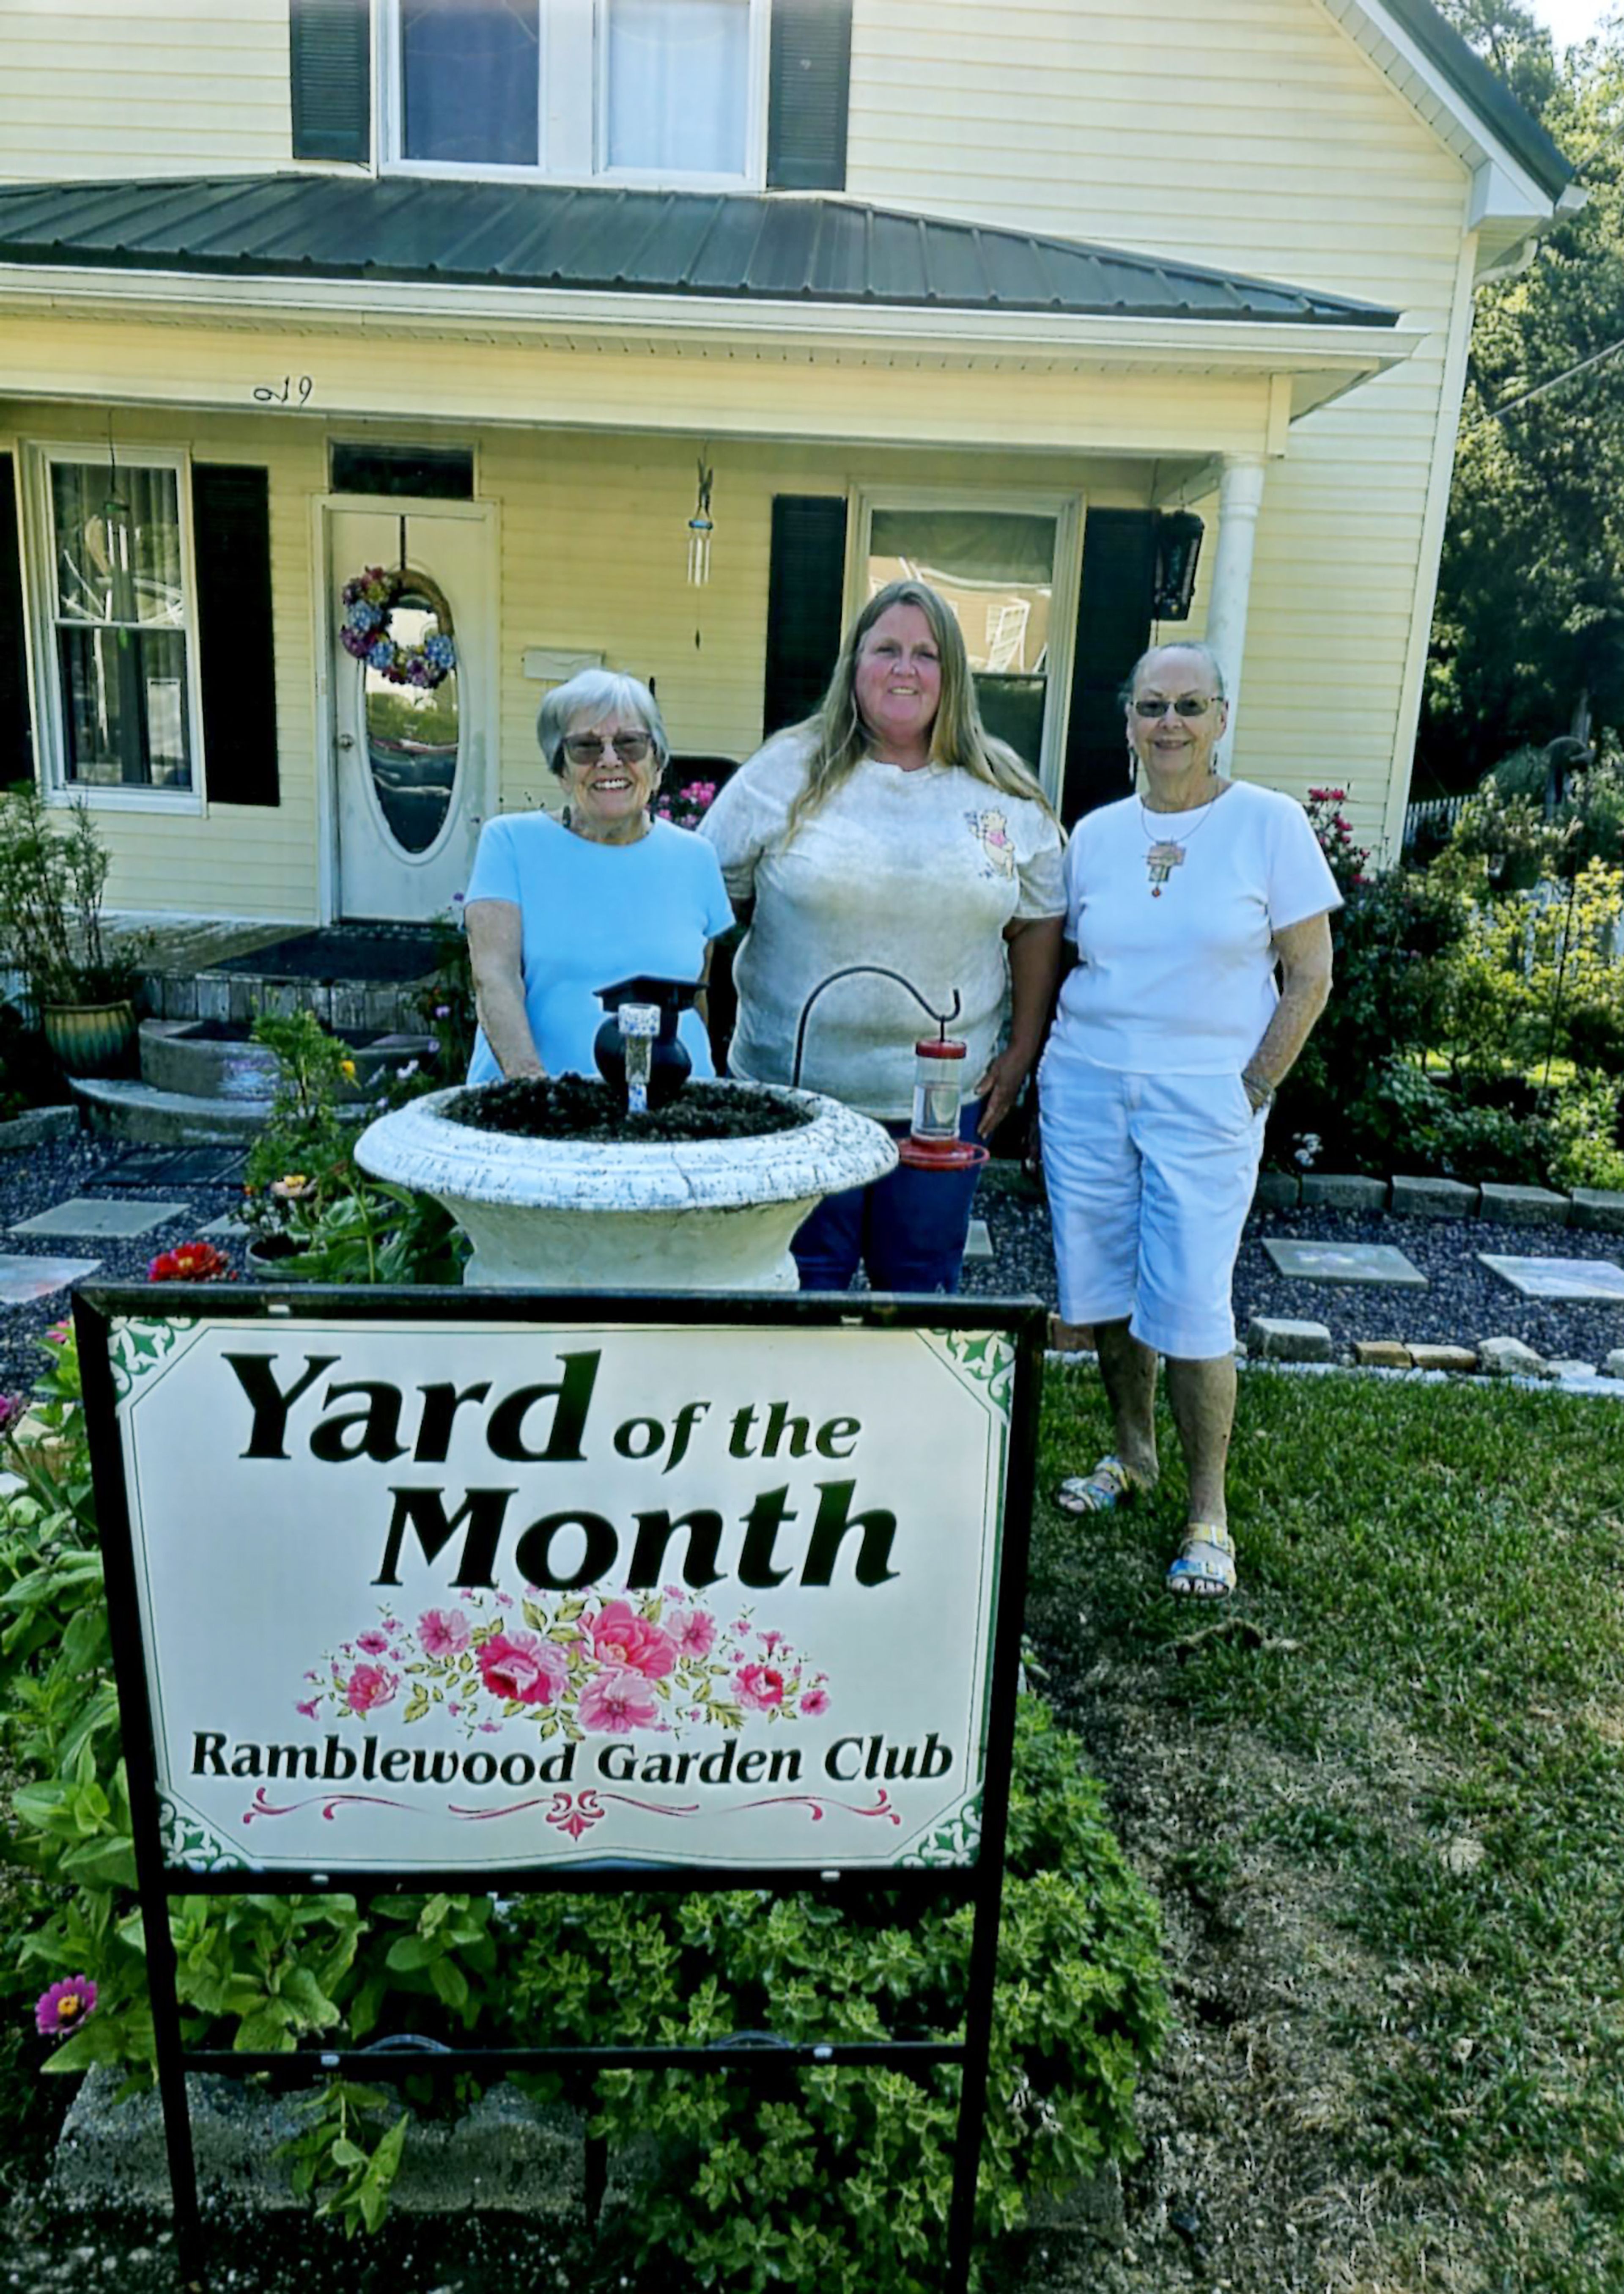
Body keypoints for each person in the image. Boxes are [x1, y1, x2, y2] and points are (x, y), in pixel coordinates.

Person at [1040, 641, 1339, 1598]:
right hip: (1086, 1084)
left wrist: (1249, 1088)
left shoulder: (1267, 824)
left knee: (1191, 1301)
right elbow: (1087, 962)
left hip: (1204, 1097)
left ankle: (1206, 1512)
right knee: (1106, 1285)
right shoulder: (1091, 833)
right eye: (1149, 705)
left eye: (1188, 705)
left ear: (1220, 717)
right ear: (1126, 720)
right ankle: (1131, 1456)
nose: (1168, 723)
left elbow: (1310, 975)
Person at [700, 578, 1064, 1292]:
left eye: (927, 654)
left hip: (940, 1105)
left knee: (922, 1292)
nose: (906, 669)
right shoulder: (783, 773)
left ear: (953, 673)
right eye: (887, 649)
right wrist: (703, 1041)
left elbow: (1040, 917)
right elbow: (704, 902)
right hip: (794, 1096)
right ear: (854, 664)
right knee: (797, 1288)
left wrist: (1022, 1049)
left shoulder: (1002, 790)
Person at [463, 669, 732, 1085]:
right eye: (586, 747)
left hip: (673, 1114)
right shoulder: (511, 844)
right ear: (562, 770)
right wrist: (532, 1087)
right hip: (541, 1108)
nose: (610, 759)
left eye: (630, 743)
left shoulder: (697, 858)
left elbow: (696, 996)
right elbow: (494, 976)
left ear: (657, 762)